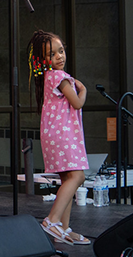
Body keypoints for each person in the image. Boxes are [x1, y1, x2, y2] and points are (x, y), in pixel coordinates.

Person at [28, 30, 91, 245]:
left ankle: (64, 229)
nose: (59, 57)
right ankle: (52, 220)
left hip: (56, 134)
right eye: (52, 54)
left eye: (61, 51)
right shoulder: (60, 77)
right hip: (63, 135)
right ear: (43, 60)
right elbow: (77, 103)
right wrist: (83, 90)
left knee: (67, 179)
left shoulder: (49, 77)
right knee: (77, 177)